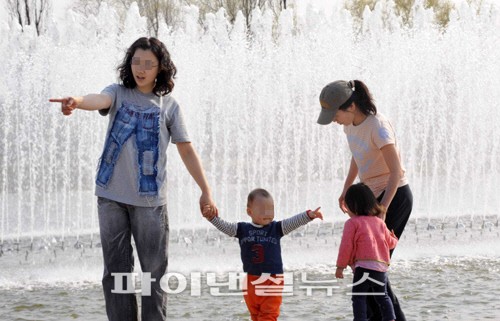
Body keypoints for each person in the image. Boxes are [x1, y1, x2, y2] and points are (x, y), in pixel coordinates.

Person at [49, 37, 217, 321]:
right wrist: (75, 102)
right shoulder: (118, 93)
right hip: (111, 198)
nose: (141, 69)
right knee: (116, 275)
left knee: (154, 275)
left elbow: (186, 150)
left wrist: (206, 191)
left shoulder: (170, 107)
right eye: (136, 61)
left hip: (150, 204)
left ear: (160, 68)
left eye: (148, 64)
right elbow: (98, 100)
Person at [317, 80, 413, 320]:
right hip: (372, 199)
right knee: (369, 267)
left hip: (394, 196)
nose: (334, 120)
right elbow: (357, 155)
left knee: (372, 266)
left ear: (350, 107)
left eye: (335, 114)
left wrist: (383, 211)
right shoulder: (350, 125)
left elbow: (396, 172)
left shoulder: (378, 127)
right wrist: (346, 189)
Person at [202, 188, 323, 321]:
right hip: (250, 281)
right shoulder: (242, 229)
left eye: (271, 209)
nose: (268, 213)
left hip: (272, 280)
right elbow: (225, 227)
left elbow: (293, 222)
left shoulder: (276, 228)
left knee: (269, 315)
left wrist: (309, 215)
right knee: (255, 314)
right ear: (249, 211)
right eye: (262, 210)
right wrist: (212, 218)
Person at [335, 183, 398, 321]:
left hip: (363, 268)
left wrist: (340, 266)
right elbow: (390, 242)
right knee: (383, 296)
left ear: (354, 205)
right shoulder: (379, 222)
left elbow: (346, 246)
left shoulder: (352, 223)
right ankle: (390, 318)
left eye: (347, 206)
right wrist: (394, 237)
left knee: (359, 298)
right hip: (380, 267)